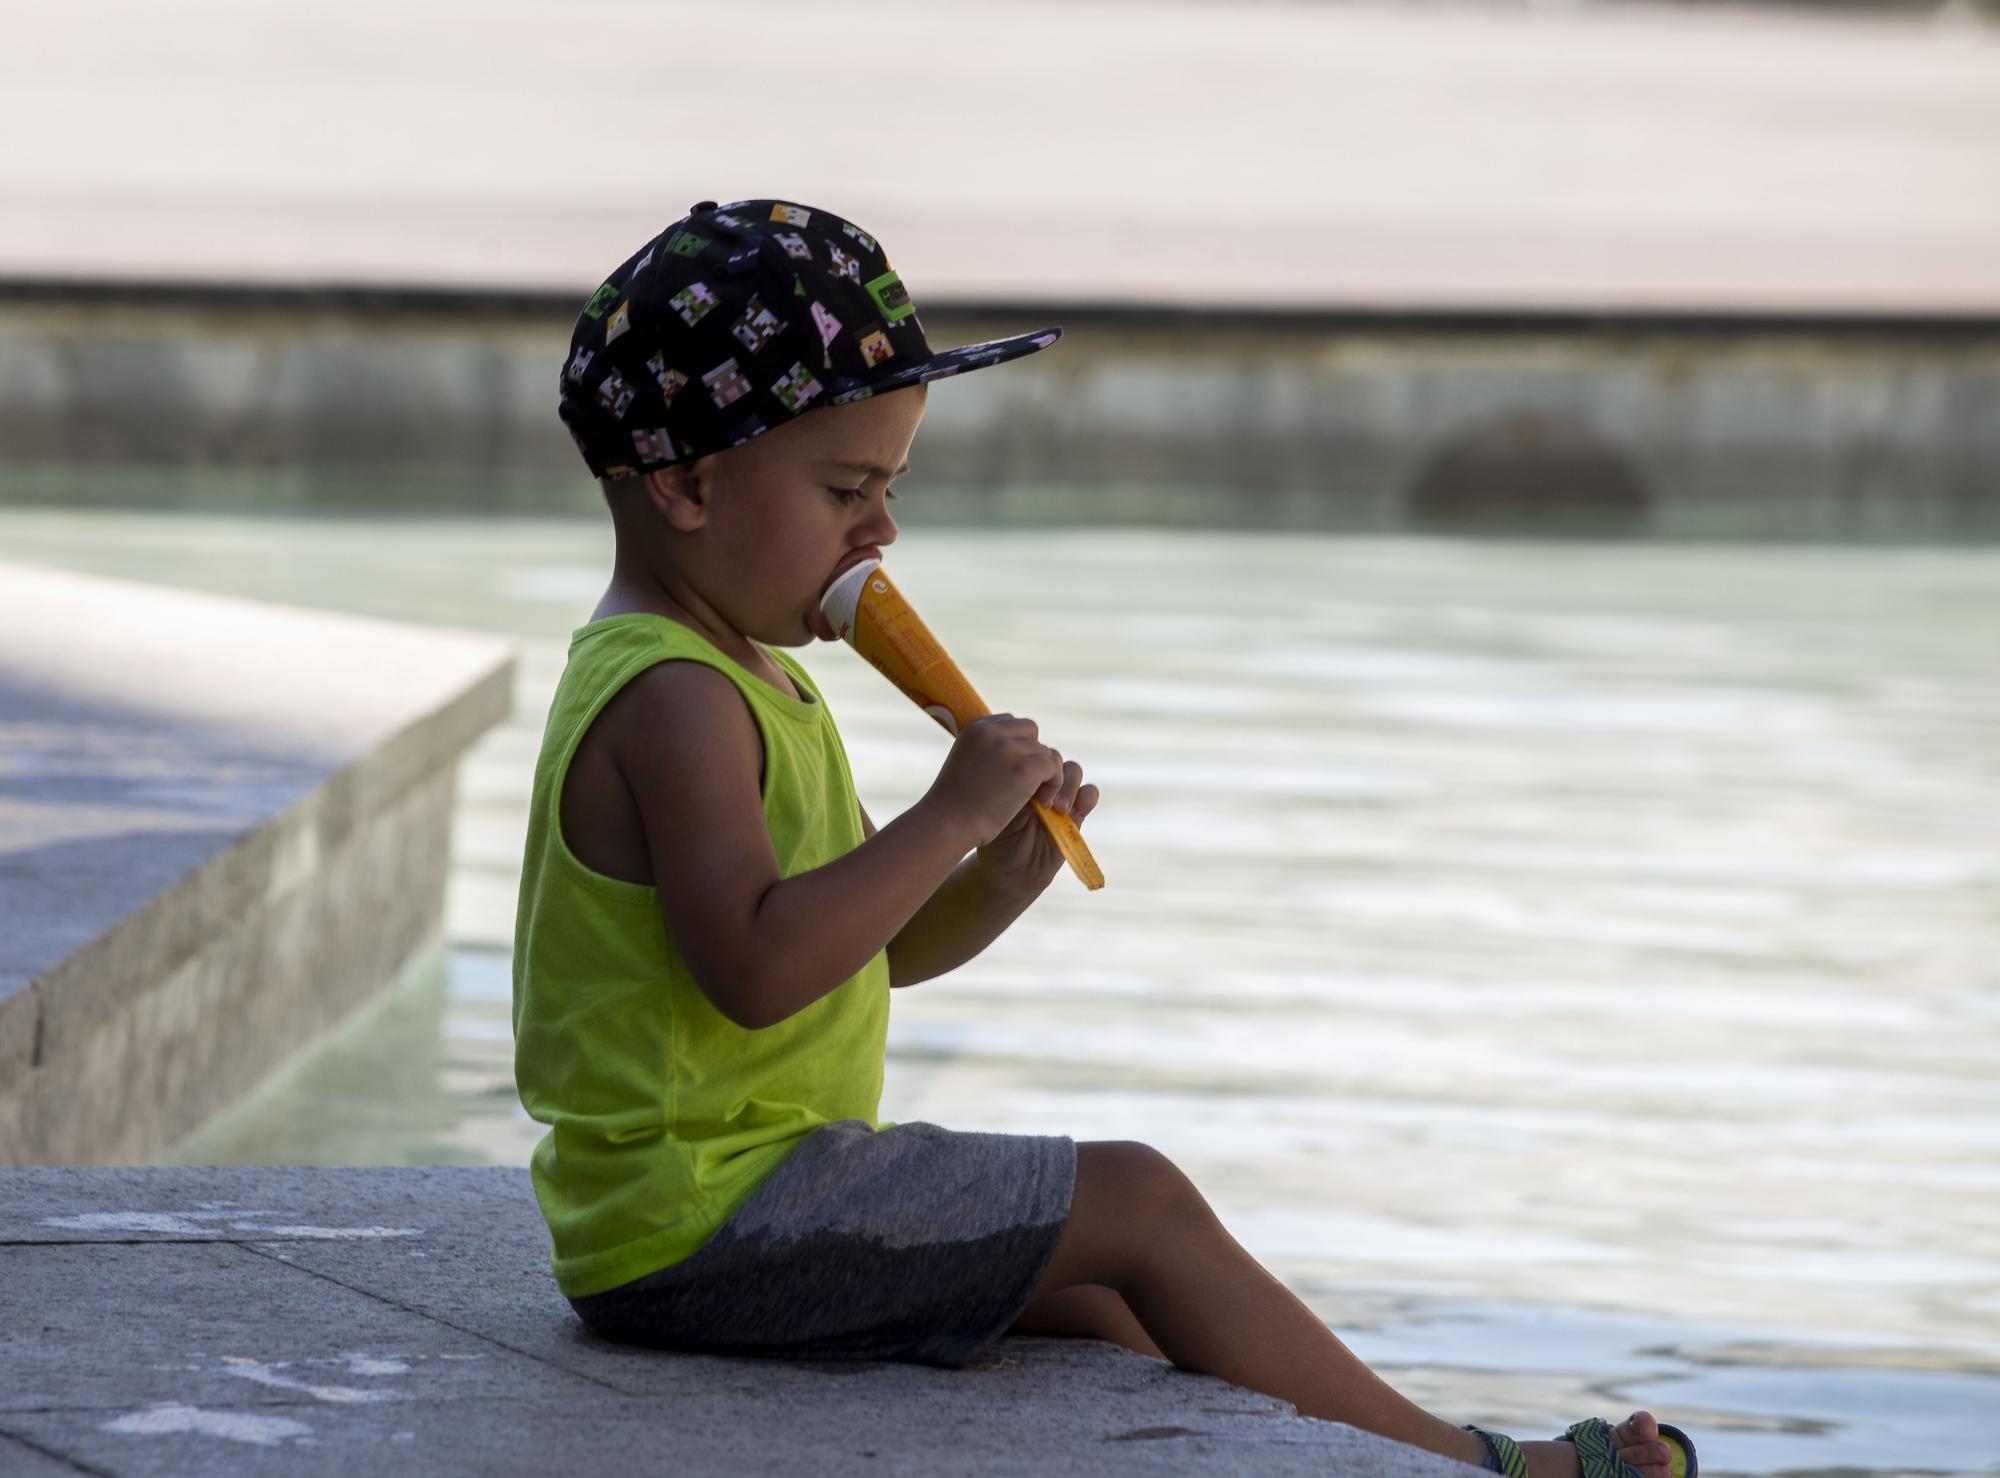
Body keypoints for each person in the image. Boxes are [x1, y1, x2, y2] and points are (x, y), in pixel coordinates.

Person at [511, 198, 1697, 1478]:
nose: (882, 531)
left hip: (731, 1208)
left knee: (1107, 1304)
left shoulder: (751, 674)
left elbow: (880, 947)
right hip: (698, 1228)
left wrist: (994, 874)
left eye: (890, 490)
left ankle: (1366, 1449)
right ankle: (1484, 1463)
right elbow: (754, 969)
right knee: (1133, 1195)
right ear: (686, 482)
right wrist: (946, 810)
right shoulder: (674, 694)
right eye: (846, 489)